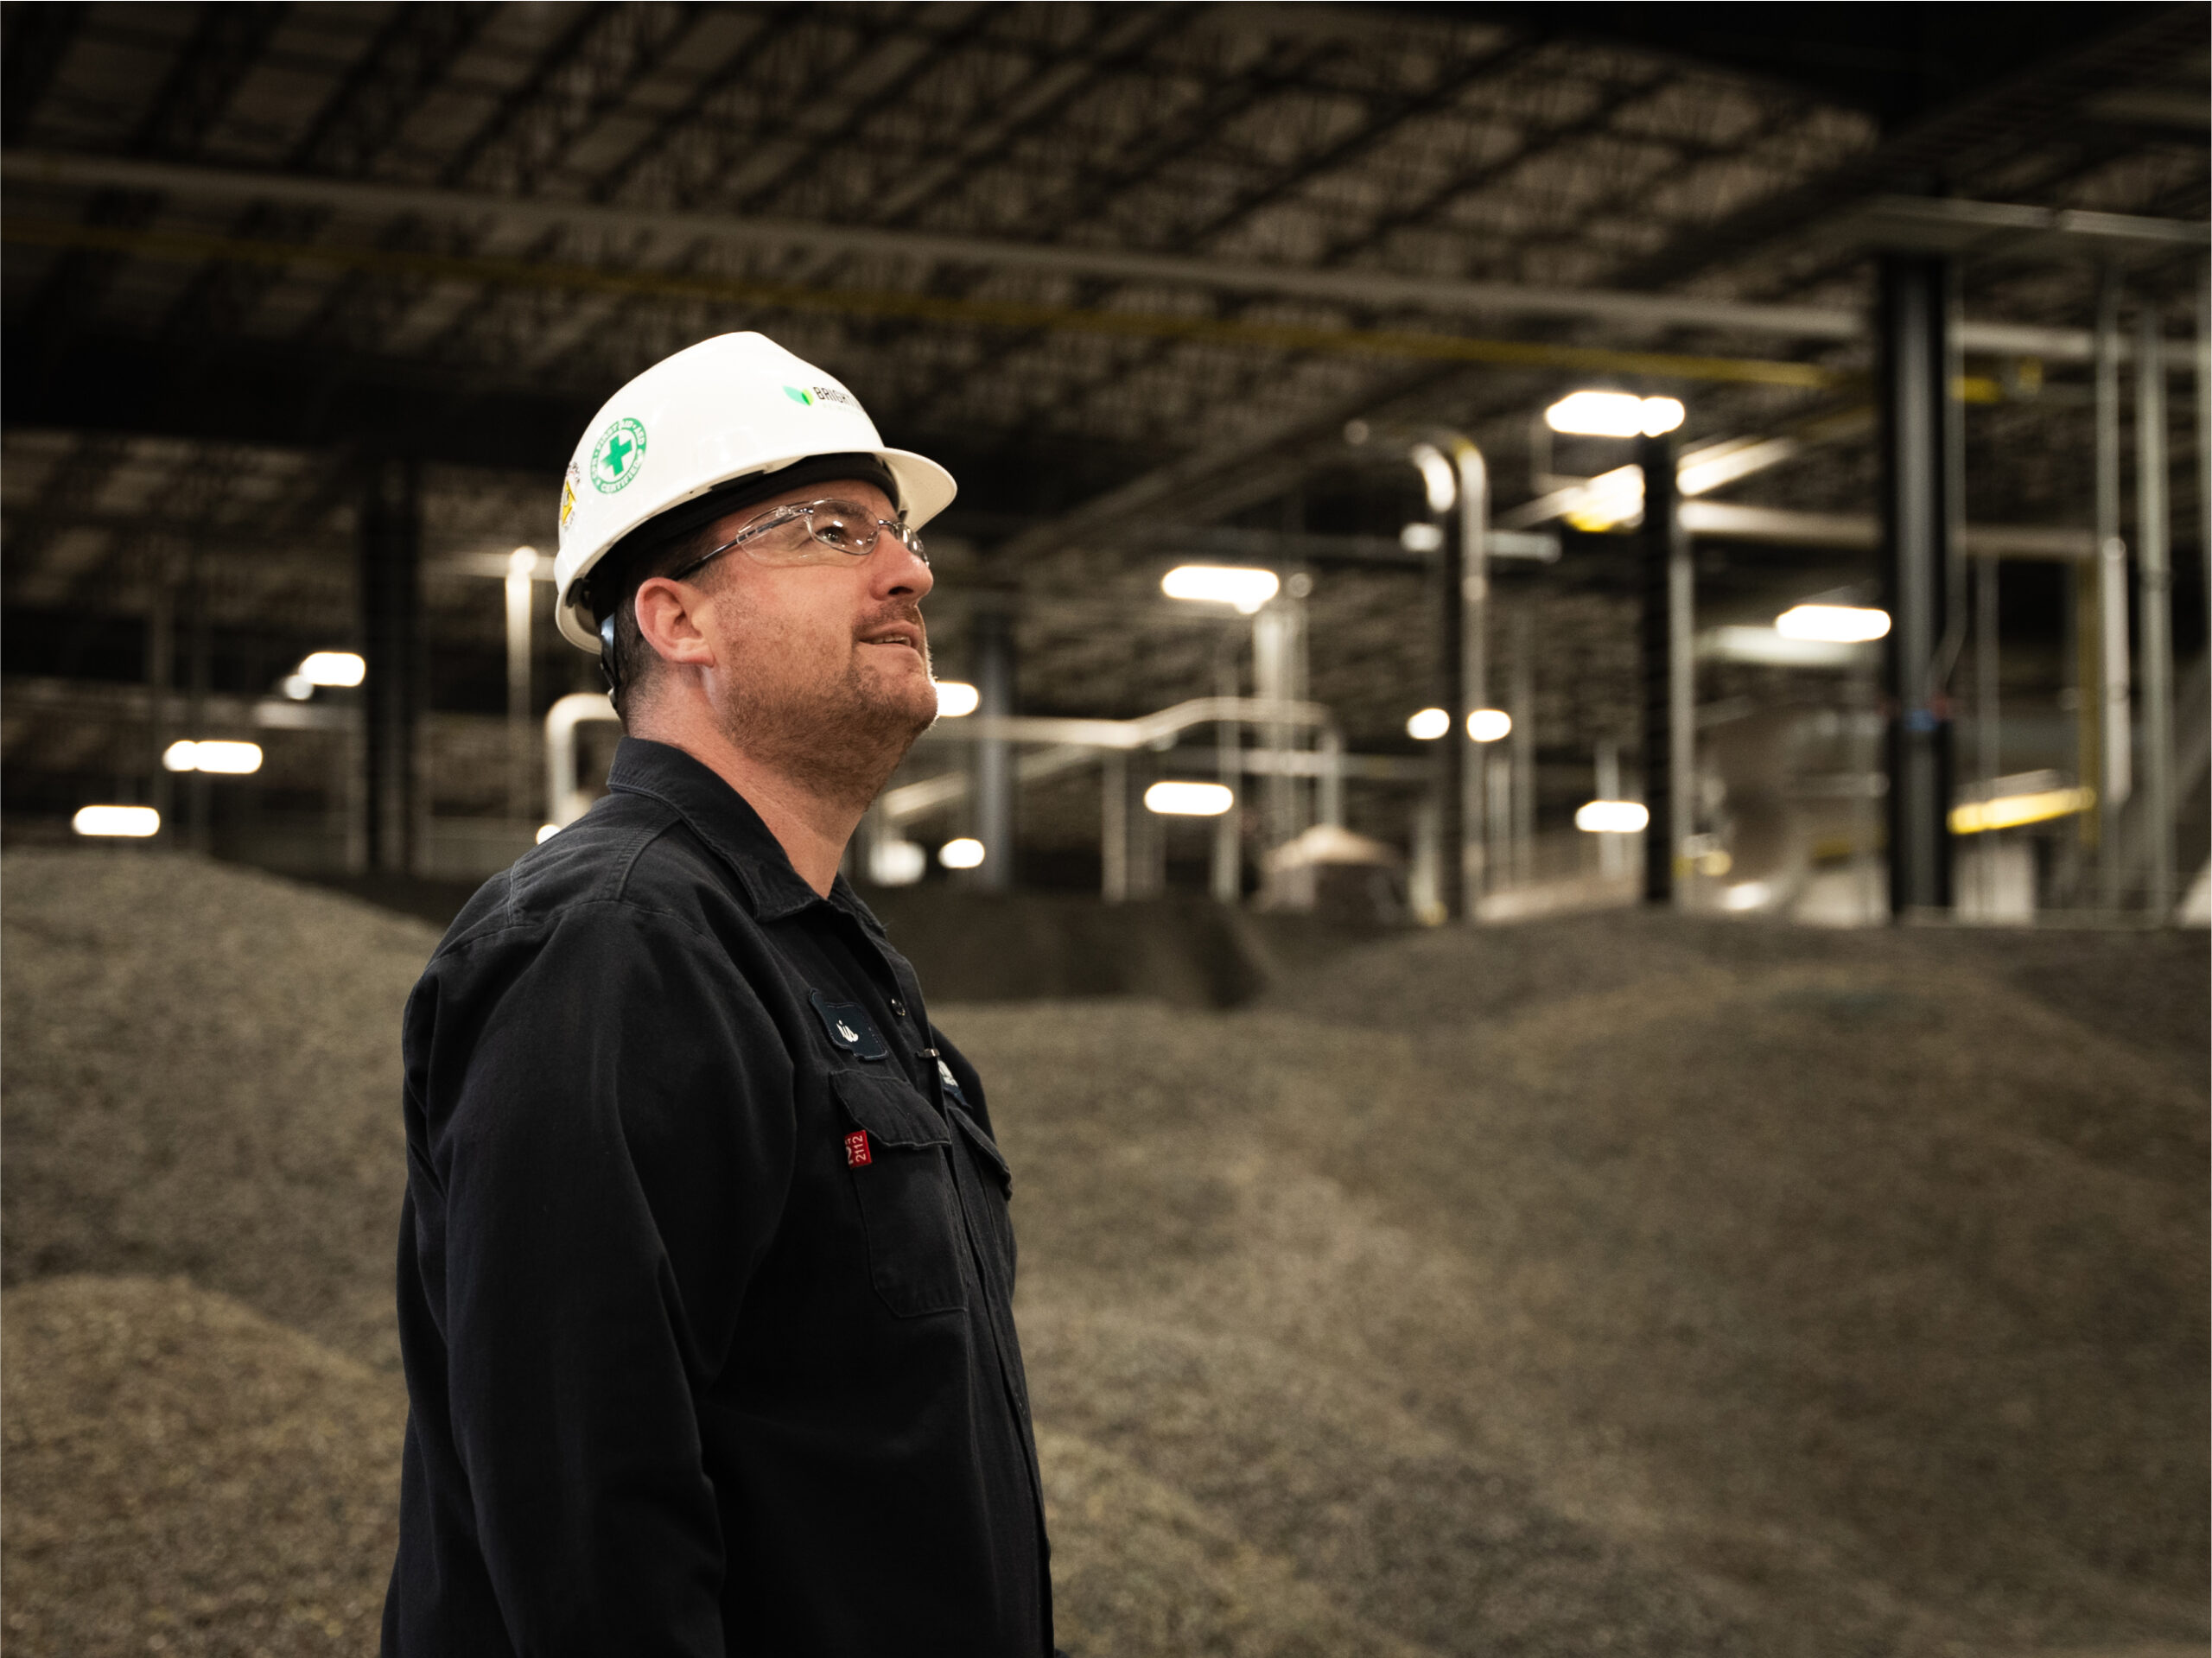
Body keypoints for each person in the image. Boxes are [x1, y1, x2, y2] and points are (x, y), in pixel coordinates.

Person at [382, 333, 1053, 1656]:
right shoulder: (610, 947)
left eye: (898, 533)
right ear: (675, 619)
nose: (909, 570)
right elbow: (587, 1522)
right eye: (830, 530)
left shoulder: (824, 958)